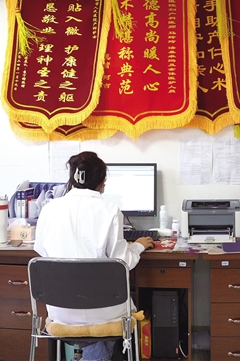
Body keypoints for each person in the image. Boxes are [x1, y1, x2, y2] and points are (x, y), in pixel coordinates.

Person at [34, 151, 154, 361]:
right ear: (103, 181)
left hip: (61, 312)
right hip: (104, 314)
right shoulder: (110, 210)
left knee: (94, 297)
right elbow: (122, 262)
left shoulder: (49, 209)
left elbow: (43, 255)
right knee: (114, 299)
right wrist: (137, 246)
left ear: (72, 178)